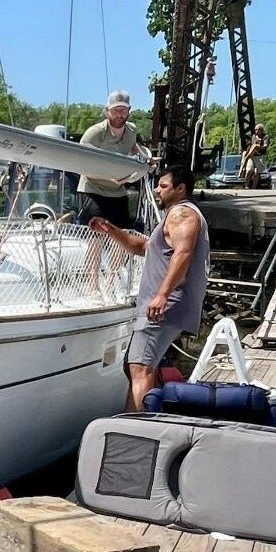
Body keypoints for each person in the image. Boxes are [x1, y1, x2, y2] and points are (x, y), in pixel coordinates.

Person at [89, 166, 210, 412]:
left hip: (163, 306)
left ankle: (134, 432)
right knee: (138, 367)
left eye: (163, 186)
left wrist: (162, 295)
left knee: (139, 367)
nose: (157, 190)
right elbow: (143, 248)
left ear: (180, 189)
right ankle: (146, 421)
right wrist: (111, 230)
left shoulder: (182, 214)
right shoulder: (173, 216)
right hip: (161, 305)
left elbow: (183, 253)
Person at [76, 91, 153, 229]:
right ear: (107, 112)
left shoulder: (131, 130)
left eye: (123, 110)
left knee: (121, 237)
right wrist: (107, 175)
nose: (119, 114)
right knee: (95, 237)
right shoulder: (95, 133)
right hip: (94, 190)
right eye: (115, 110)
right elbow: (80, 161)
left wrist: (147, 159)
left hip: (118, 192)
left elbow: (133, 146)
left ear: (129, 111)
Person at [240, 124, 269, 189]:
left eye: (258, 130)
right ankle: (246, 185)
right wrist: (246, 153)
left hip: (260, 155)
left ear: (261, 130)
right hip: (252, 155)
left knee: (257, 172)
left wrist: (257, 146)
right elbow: (250, 146)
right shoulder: (253, 136)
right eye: (255, 130)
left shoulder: (265, 137)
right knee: (249, 170)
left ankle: (254, 187)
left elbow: (265, 147)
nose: (256, 131)